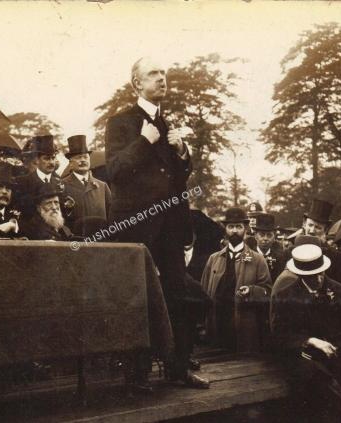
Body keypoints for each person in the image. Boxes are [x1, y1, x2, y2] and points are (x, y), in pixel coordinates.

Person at [105, 57, 207, 389]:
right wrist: (144, 141)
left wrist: (181, 153)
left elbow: (176, 178)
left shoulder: (168, 124)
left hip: (171, 226)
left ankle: (178, 370)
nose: (162, 79)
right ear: (137, 83)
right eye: (154, 74)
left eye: (163, 73)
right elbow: (115, 172)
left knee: (179, 295)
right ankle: (135, 375)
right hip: (137, 226)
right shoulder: (121, 123)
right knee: (136, 298)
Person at [270, 237, 341, 423]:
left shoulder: (340, 291)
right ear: (300, 275)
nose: (319, 279)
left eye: (321, 272)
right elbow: (279, 337)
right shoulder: (286, 296)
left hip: (337, 353)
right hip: (304, 356)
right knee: (314, 381)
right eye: (312, 276)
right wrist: (311, 340)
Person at [201, 207, 271, 352]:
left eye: (238, 226)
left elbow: (268, 291)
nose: (234, 231)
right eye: (230, 226)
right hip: (217, 329)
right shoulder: (214, 259)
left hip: (243, 331)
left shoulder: (257, 260)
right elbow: (204, 292)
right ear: (225, 229)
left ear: (245, 229)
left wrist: (251, 291)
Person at [61, 135, 111, 236]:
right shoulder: (61, 186)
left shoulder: (102, 186)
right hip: (74, 241)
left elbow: (111, 214)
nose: (83, 160)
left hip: (101, 240)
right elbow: (58, 217)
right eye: (78, 158)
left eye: (85, 157)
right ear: (70, 163)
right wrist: (68, 235)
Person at [253, 212, 286, 281]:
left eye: (269, 235)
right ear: (255, 235)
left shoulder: (280, 258)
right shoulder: (249, 255)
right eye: (262, 235)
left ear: (274, 237)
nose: (265, 238)